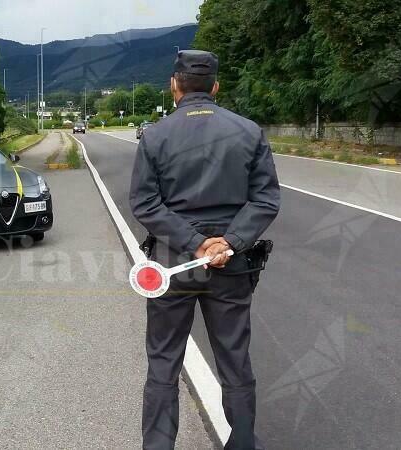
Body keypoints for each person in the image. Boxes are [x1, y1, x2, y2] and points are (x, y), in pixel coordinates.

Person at [129, 50, 280, 449]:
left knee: (164, 361)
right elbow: (265, 200)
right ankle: (243, 441)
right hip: (230, 264)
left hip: (173, 265)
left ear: (174, 86)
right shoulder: (248, 131)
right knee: (234, 358)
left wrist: (193, 243)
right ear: (215, 86)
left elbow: (145, 203)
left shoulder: (156, 135)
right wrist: (227, 242)